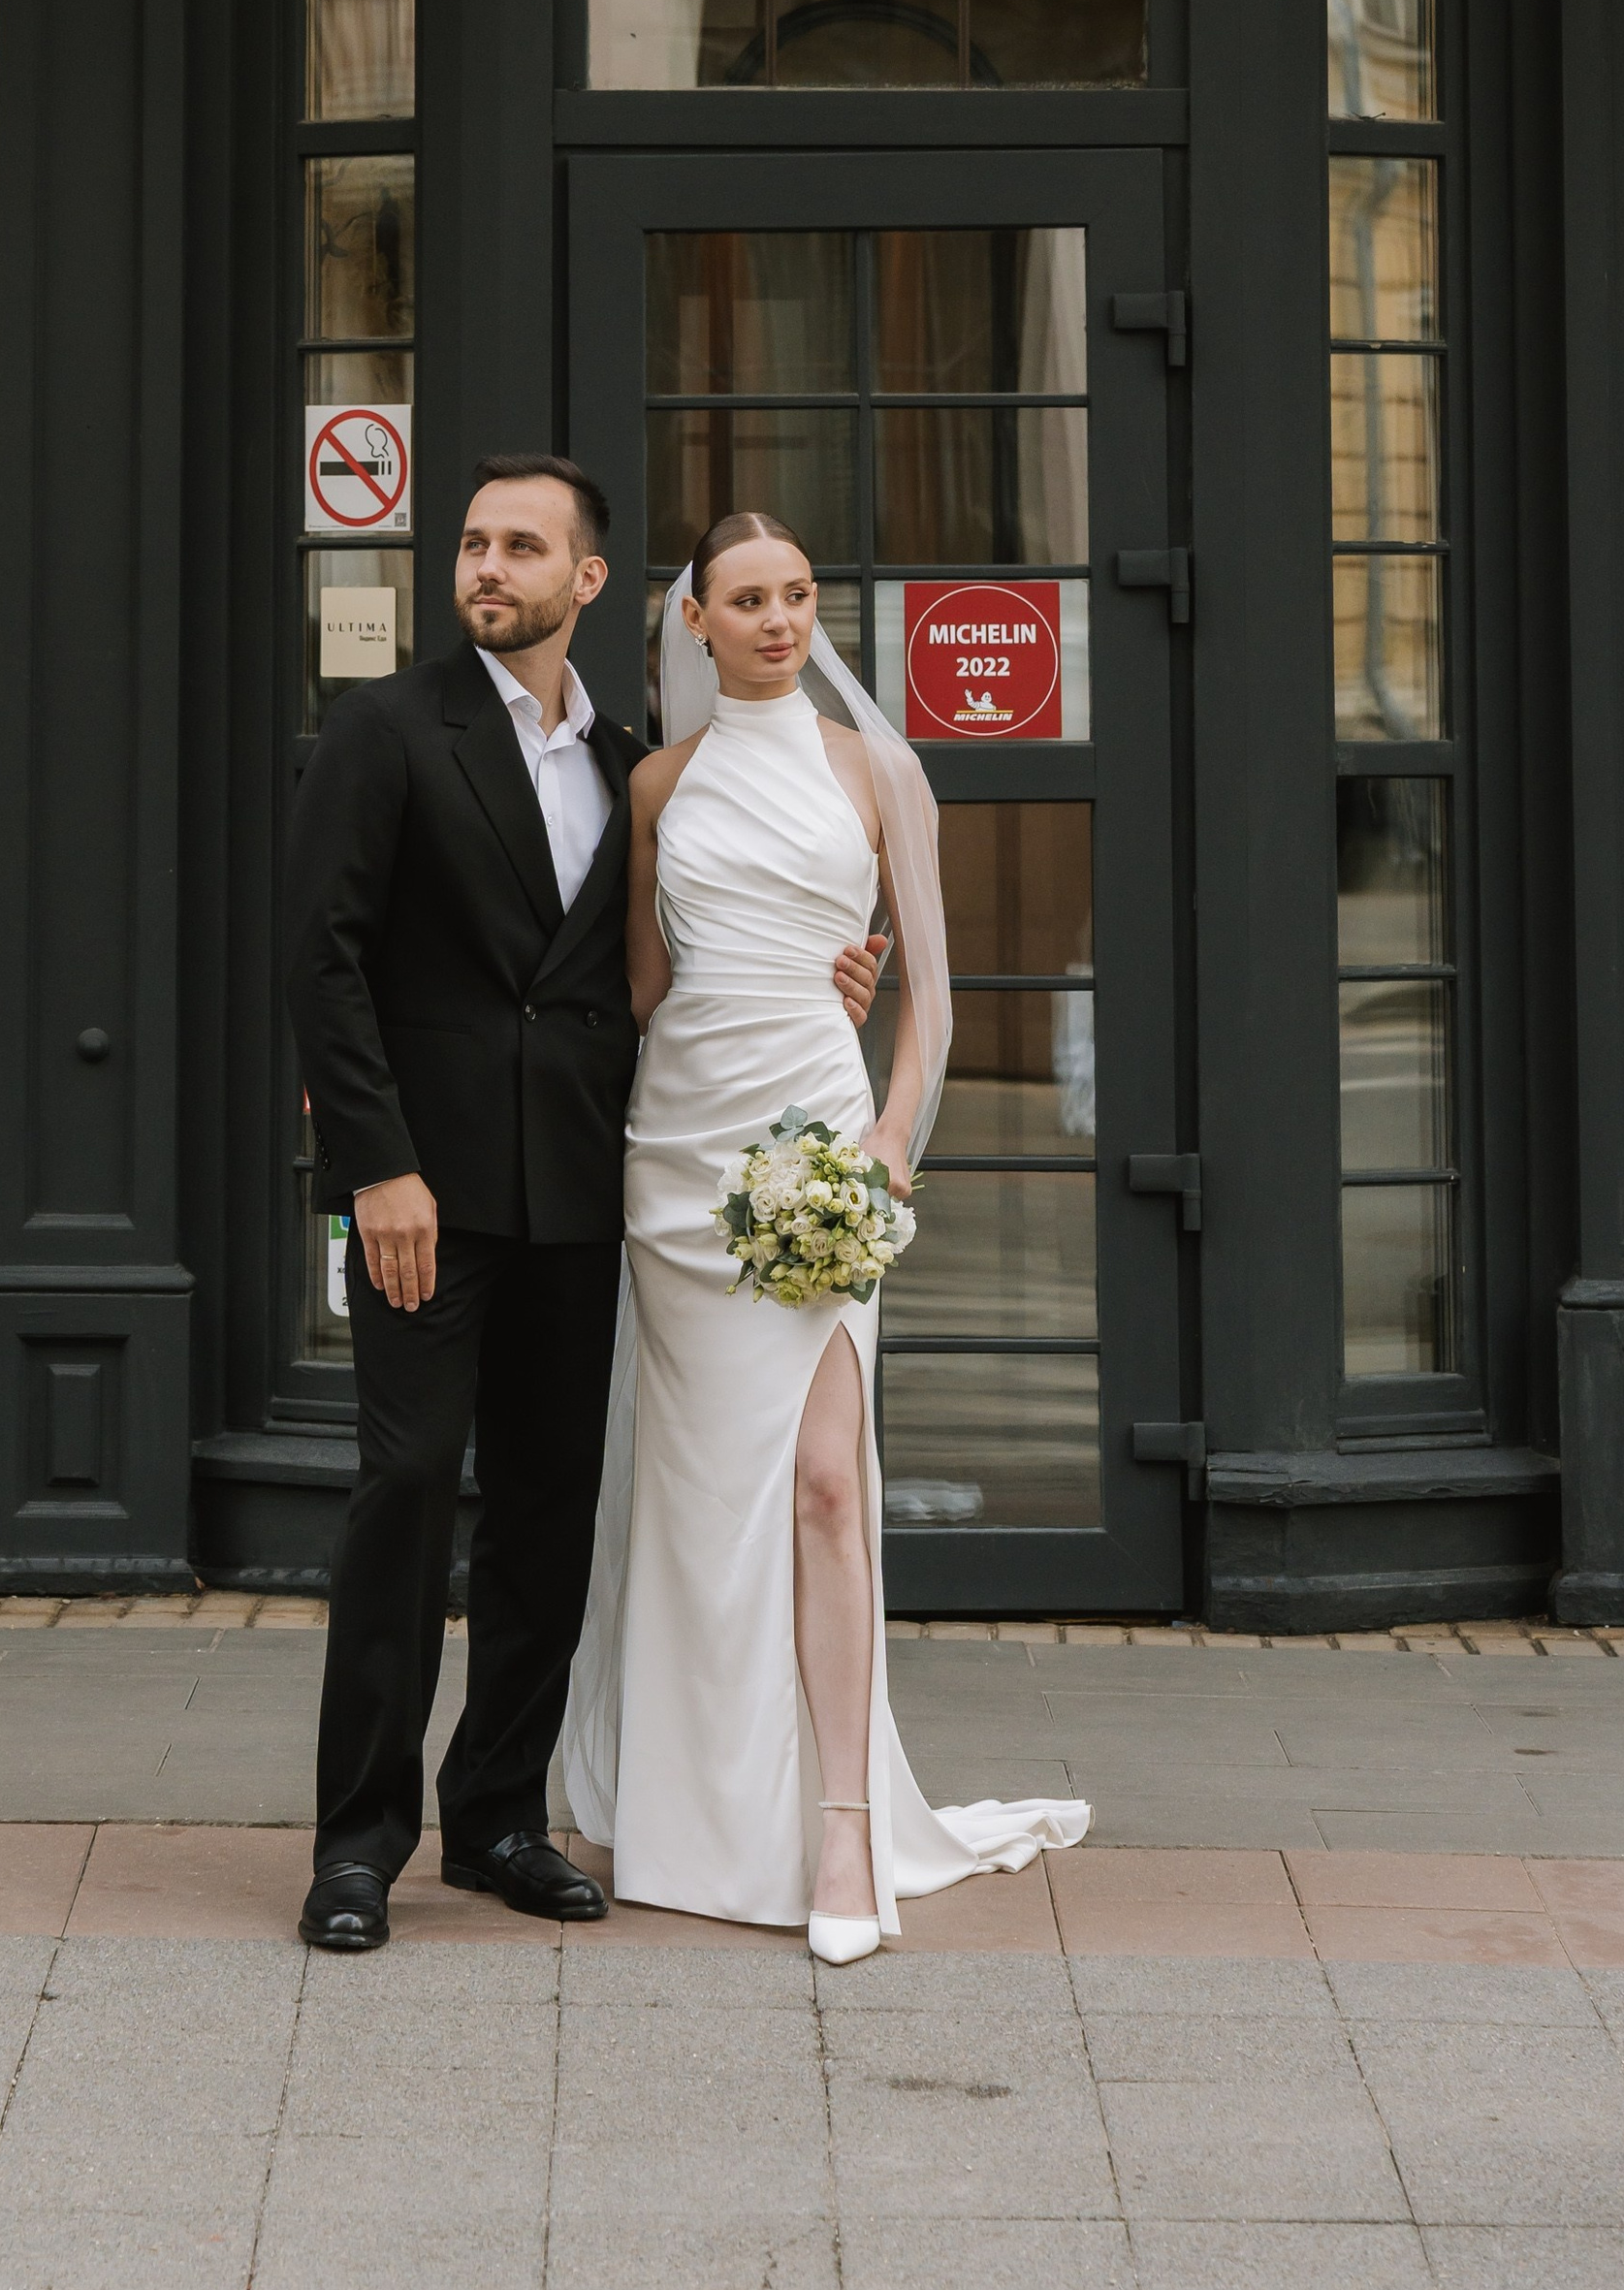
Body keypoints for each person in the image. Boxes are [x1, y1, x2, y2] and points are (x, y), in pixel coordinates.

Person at [283, 455, 877, 1955]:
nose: (487, 567)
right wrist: (377, 1168)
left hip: (585, 1194)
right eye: (475, 543)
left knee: (549, 1514)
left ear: (586, 582)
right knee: (407, 1492)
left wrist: (824, 986)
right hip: (422, 1195)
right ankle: (358, 1844)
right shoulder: (382, 731)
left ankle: (496, 1816)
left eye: (520, 548)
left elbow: (641, 984)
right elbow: (323, 963)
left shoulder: (627, 761)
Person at [560, 508, 1089, 1962]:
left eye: (798, 595)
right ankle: (687, 1807)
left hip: (817, 1138)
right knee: (693, 1497)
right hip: (678, 1158)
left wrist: (880, 1151)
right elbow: (648, 993)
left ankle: (846, 1827)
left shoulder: (879, 768)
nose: (782, 620)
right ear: (698, 626)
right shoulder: (658, 783)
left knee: (826, 1486)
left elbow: (942, 1001)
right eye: (748, 600)